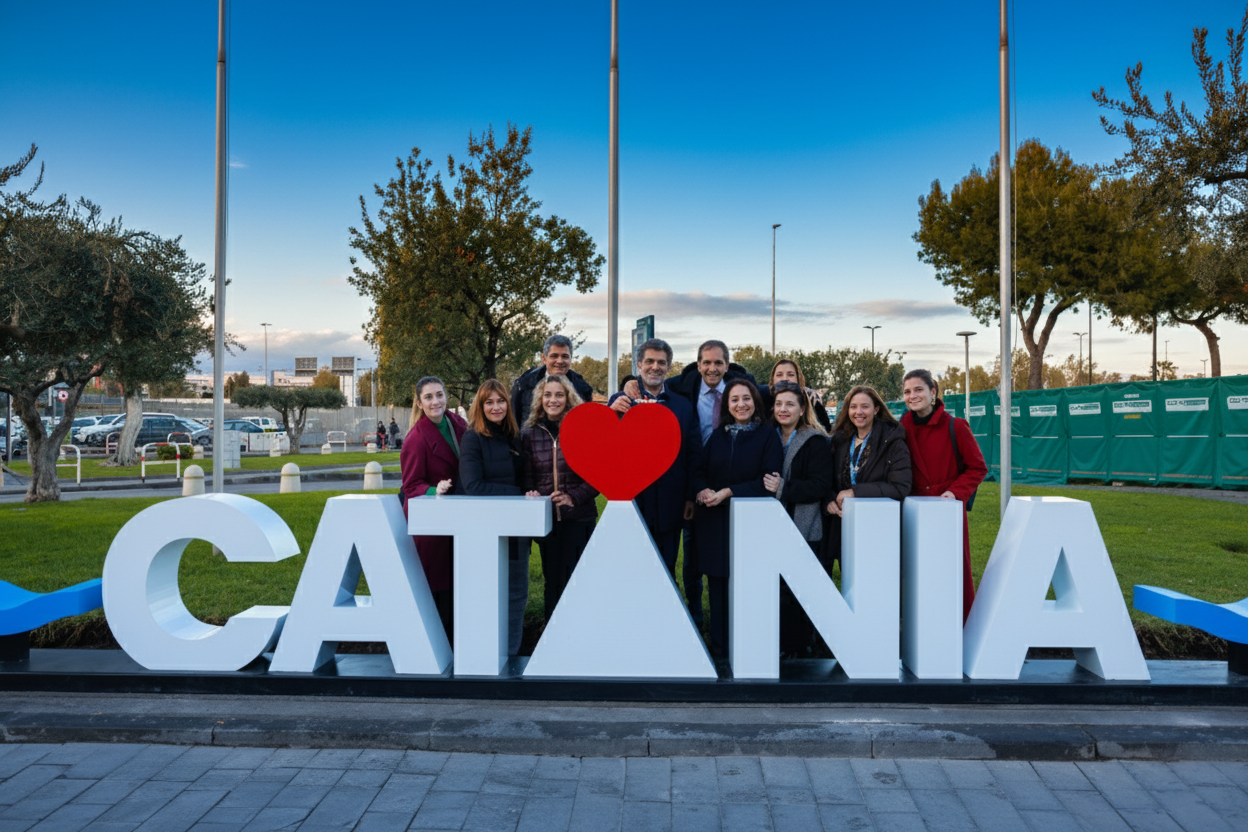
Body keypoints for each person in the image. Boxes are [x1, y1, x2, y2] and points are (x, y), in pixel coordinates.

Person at [662, 340, 758, 628]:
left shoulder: (741, 389)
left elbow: (770, 391)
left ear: (727, 365)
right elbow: (649, 384)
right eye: (707, 362)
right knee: (693, 556)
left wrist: (804, 390)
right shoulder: (683, 387)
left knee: (735, 555)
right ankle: (695, 616)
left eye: (718, 363)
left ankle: (734, 617)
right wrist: (628, 383)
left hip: (734, 481)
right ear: (698, 364)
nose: (712, 368)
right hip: (698, 482)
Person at [692, 377, 783, 657]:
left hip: (749, 526)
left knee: (748, 586)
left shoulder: (768, 435)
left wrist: (729, 492)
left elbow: (767, 483)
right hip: (715, 523)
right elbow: (699, 470)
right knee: (718, 584)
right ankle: (720, 646)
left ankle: (749, 646)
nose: (741, 404)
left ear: (755, 401)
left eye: (746, 398)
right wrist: (702, 490)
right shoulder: (718, 435)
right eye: (734, 399)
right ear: (727, 405)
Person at [900, 369, 987, 622]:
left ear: (933, 392)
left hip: (946, 509)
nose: (912, 396)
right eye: (907, 391)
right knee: (916, 573)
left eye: (918, 390)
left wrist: (954, 492)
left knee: (953, 572)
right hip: (912, 511)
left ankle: (961, 628)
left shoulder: (956, 426)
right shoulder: (900, 428)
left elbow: (978, 467)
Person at [607, 338, 700, 575]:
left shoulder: (683, 406)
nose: (655, 367)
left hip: (671, 501)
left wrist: (690, 496)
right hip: (632, 502)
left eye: (661, 362)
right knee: (631, 567)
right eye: (649, 361)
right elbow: (604, 447)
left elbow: (692, 454)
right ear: (638, 365)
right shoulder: (620, 402)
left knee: (666, 567)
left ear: (669, 367)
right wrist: (611, 414)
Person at [460, 379, 530, 656]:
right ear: (480, 406)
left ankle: (511, 653)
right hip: (483, 531)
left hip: (516, 529)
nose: (496, 406)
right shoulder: (472, 437)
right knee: (484, 594)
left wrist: (528, 493)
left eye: (500, 400)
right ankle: (482, 654)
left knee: (517, 593)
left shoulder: (515, 435)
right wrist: (521, 495)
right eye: (489, 402)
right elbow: (472, 486)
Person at [764, 381, 833, 655]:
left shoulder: (816, 440)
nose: (783, 409)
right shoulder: (768, 436)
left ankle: (799, 646)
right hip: (770, 525)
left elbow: (819, 485)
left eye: (790, 404)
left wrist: (783, 488)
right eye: (779, 404)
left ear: (803, 409)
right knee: (775, 588)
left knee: (798, 591)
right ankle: (777, 642)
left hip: (804, 525)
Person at [522, 374, 598, 620]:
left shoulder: (583, 428)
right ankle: (550, 638)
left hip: (579, 518)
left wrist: (573, 497)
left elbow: (597, 475)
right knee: (552, 581)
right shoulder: (530, 433)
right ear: (540, 399)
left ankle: (581, 635)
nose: (553, 400)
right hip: (547, 522)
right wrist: (531, 493)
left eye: (559, 394)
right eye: (547, 395)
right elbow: (526, 475)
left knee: (579, 580)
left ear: (568, 397)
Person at [400, 376, 468, 640]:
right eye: (428, 397)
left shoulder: (457, 422)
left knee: (457, 585)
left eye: (439, 395)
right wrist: (433, 490)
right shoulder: (415, 439)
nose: (435, 401)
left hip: (456, 517)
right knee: (438, 588)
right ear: (419, 402)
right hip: (432, 527)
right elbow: (410, 485)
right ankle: (437, 644)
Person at [822, 385, 912, 571]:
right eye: (853, 407)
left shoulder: (892, 441)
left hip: (876, 525)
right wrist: (830, 499)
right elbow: (827, 479)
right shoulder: (839, 439)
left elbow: (900, 486)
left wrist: (854, 492)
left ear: (876, 409)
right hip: (842, 521)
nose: (858, 412)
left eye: (865, 406)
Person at [511, 334, 595, 426]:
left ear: (571, 358)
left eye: (565, 356)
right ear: (544, 358)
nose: (560, 361)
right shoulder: (523, 384)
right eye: (554, 356)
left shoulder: (583, 388)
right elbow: (514, 424)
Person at [760, 359, 832, 432]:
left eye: (790, 375)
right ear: (772, 380)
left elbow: (826, 429)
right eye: (779, 375)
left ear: (798, 379)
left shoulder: (812, 399)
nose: (785, 379)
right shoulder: (763, 400)